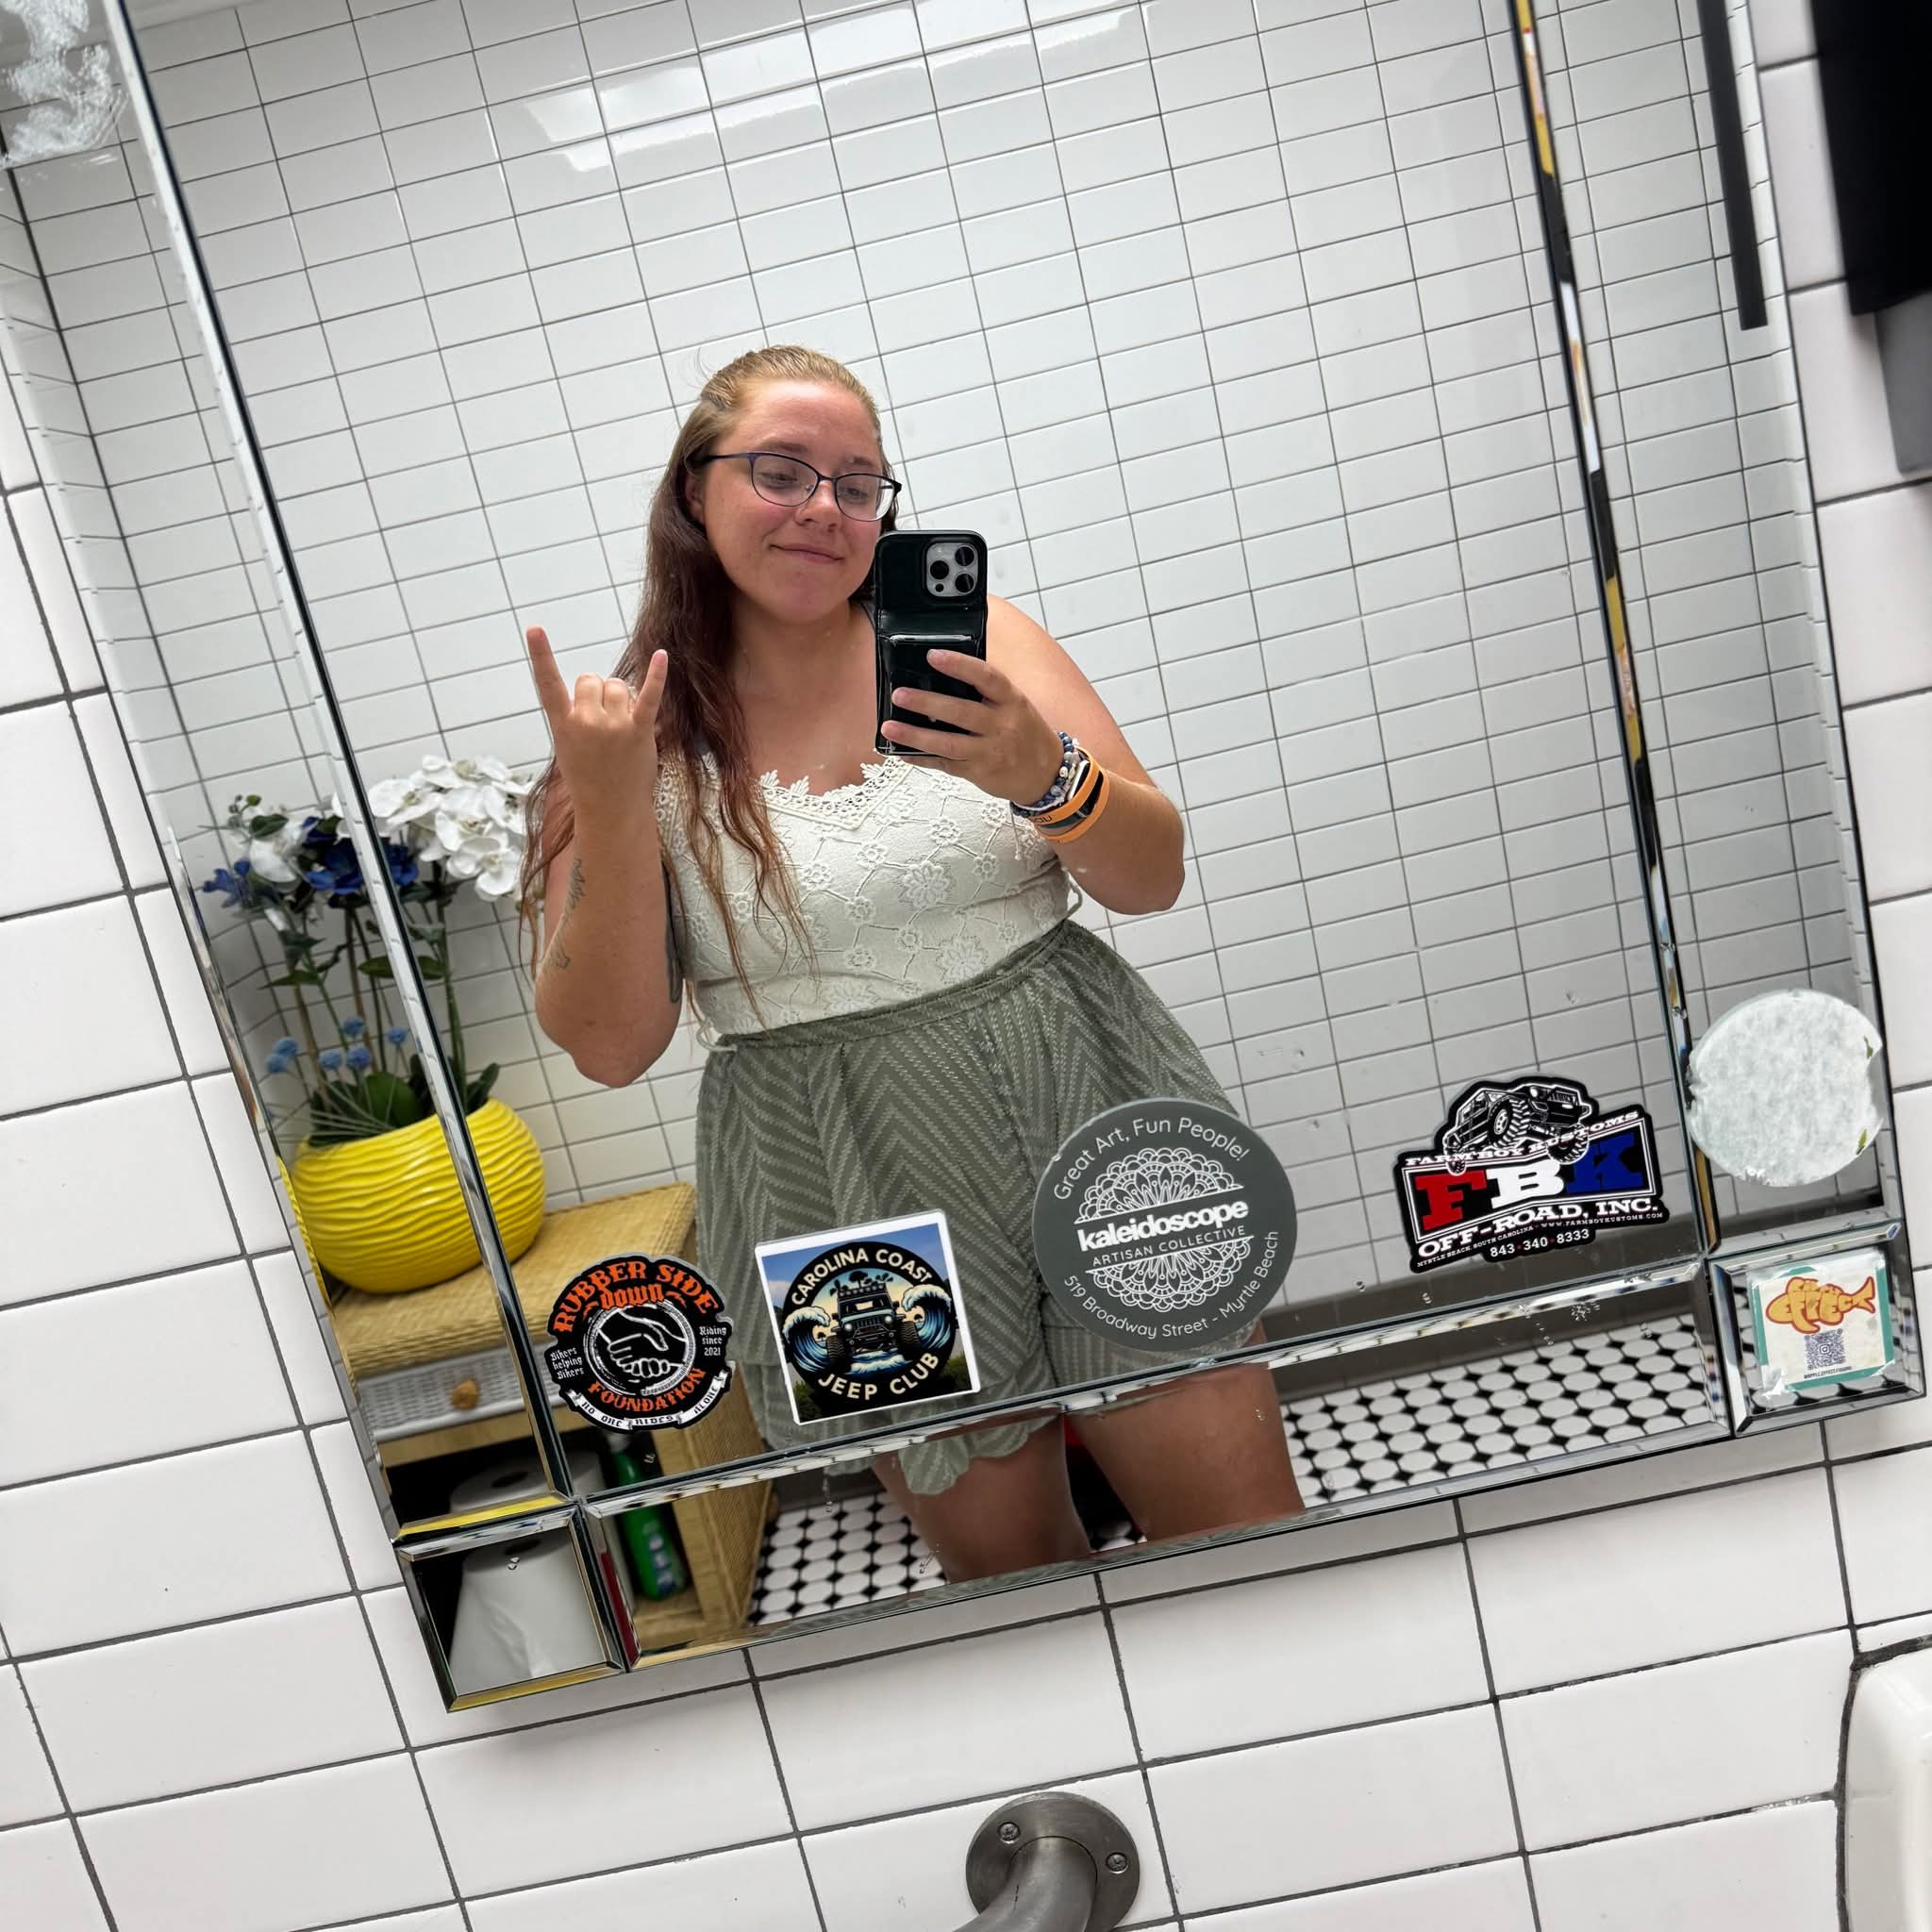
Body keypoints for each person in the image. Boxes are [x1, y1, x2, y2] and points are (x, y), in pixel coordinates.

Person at [518, 343, 1301, 1582]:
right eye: (781, 471)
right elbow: (612, 1047)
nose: (823, 508)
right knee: (1015, 1589)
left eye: (858, 482)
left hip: (1091, 1099)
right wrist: (613, 809)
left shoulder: (980, 640)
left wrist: (1044, 773)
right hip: (826, 1177)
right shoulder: (622, 740)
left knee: (1245, 1542)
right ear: (693, 491)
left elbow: (1150, 877)